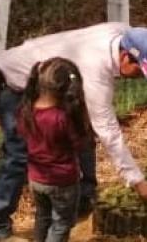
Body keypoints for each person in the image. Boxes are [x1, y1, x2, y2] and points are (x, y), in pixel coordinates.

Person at [0, 24, 147, 242]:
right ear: (125, 57)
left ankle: (83, 199)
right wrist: (136, 180)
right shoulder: (96, 69)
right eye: (142, 70)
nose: (143, 76)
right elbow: (108, 131)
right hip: (13, 83)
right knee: (19, 154)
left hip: (51, 84)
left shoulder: (123, 32)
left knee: (82, 130)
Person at [17, 58, 94, 242]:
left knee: (42, 217)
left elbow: (22, 135)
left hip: (36, 179)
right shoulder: (61, 118)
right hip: (63, 181)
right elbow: (80, 145)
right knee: (61, 224)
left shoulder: (26, 111)